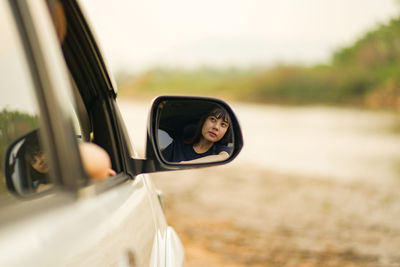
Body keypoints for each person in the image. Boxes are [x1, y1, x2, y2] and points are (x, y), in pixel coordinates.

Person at [162, 107, 232, 163]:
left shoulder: (220, 150)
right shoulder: (178, 145)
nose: (216, 127)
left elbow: (224, 157)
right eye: (213, 119)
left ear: (226, 131)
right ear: (203, 121)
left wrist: (184, 164)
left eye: (223, 124)